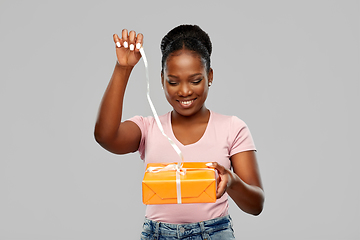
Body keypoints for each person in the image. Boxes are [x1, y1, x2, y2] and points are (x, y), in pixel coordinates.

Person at [94, 24, 264, 240]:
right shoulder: (149, 127)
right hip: (157, 234)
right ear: (162, 79)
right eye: (173, 82)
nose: (184, 91)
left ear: (209, 76)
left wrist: (232, 181)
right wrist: (123, 68)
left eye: (195, 80)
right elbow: (105, 136)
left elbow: (256, 204)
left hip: (214, 233)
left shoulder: (232, 128)